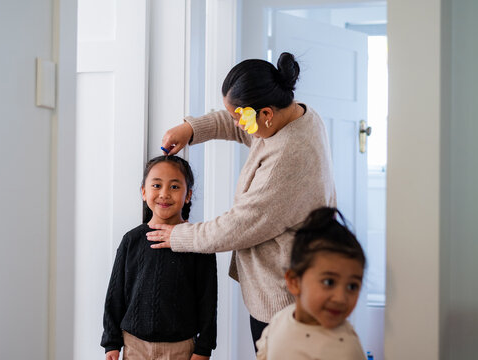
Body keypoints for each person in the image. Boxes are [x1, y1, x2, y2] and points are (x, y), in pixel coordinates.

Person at [147, 52, 337, 348]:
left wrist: (179, 235)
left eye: (240, 118)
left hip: (285, 302)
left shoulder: (287, 159)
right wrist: (192, 129)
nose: (236, 123)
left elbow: (238, 226)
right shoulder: (298, 115)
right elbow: (236, 119)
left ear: (265, 114)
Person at [101, 155, 217, 360]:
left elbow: (208, 300)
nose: (164, 194)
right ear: (144, 192)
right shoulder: (131, 240)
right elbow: (115, 294)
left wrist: (203, 348)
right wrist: (111, 343)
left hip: (180, 348)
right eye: (156, 185)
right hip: (134, 346)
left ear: (188, 195)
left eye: (174, 187)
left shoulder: (199, 242)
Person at [256, 207, 366, 360]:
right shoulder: (279, 320)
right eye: (329, 282)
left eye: (352, 286)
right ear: (294, 282)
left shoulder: (346, 349)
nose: (340, 298)